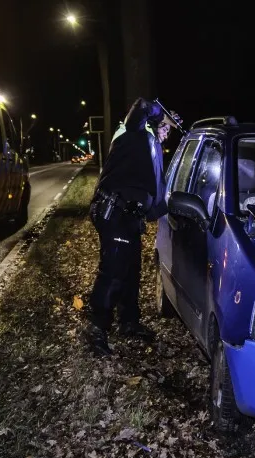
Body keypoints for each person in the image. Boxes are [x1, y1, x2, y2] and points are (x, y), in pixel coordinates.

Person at [86, 98, 167, 356]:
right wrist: (157, 112)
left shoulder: (152, 146)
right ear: (154, 122)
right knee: (114, 270)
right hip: (114, 210)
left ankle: (129, 322)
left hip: (130, 215)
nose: (167, 132)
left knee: (132, 269)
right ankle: (96, 328)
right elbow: (141, 105)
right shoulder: (135, 131)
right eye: (165, 126)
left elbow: (156, 190)